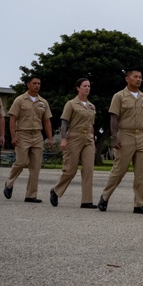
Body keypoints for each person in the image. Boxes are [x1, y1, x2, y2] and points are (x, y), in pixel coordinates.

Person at [98, 69, 143, 214]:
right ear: (127, 78)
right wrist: (114, 137)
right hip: (125, 135)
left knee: (142, 172)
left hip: (141, 136)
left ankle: (140, 204)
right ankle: (104, 197)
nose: (138, 79)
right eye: (135, 77)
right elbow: (114, 119)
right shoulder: (119, 96)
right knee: (119, 170)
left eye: (140, 77)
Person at [50, 78, 98, 209]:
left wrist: (92, 138)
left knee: (88, 169)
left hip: (88, 138)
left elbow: (91, 124)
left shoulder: (91, 106)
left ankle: (87, 201)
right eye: (84, 86)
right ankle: (56, 190)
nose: (87, 88)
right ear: (78, 88)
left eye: (89, 86)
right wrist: (64, 139)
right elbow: (64, 123)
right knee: (70, 170)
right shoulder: (71, 104)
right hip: (74, 137)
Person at [4, 76, 53, 203]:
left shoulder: (43, 102)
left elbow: (47, 121)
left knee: (35, 166)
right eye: (34, 83)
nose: (37, 85)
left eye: (39, 83)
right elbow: (13, 119)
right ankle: (9, 182)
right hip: (23, 134)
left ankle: (31, 195)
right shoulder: (20, 100)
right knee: (21, 162)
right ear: (28, 85)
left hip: (37, 135)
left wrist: (50, 138)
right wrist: (13, 136)